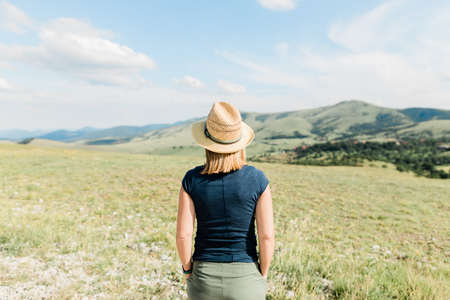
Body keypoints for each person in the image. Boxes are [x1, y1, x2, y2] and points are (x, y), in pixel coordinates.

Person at [176, 101, 275, 300]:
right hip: (247, 278)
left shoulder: (191, 179)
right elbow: (266, 236)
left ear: (207, 143)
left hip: (203, 279)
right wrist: (262, 274)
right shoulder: (258, 179)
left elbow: (184, 235)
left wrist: (188, 271)